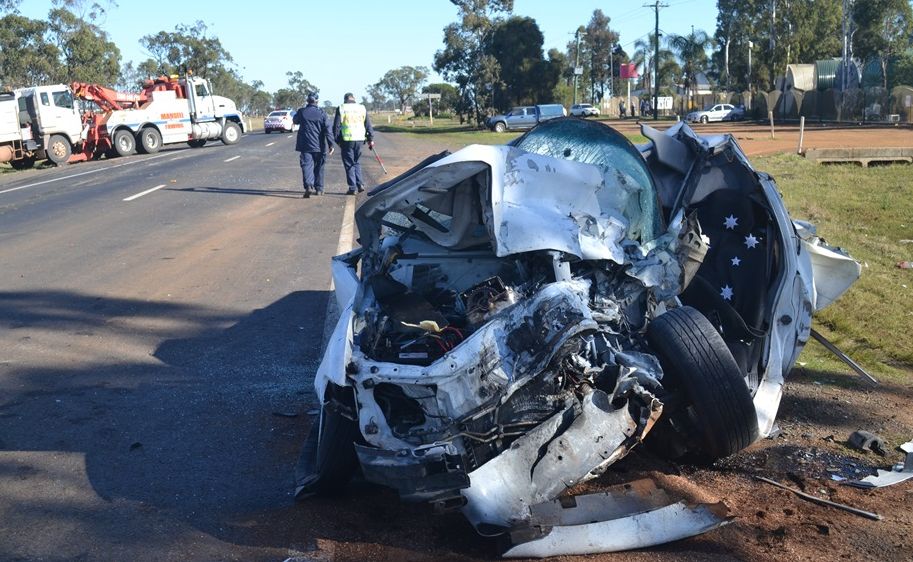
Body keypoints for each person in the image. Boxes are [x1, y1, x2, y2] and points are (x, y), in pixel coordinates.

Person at [293, 92, 334, 198]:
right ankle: (319, 189)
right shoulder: (322, 113)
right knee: (319, 167)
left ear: (307, 100)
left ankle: (308, 186)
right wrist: (331, 144)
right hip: (319, 146)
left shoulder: (302, 112)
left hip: (305, 145)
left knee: (307, 165)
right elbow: (328, 130)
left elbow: (295, 121)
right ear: (317, 101)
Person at [333, 92, 375, 195]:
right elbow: (368, 125)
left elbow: (336, 127)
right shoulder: (361, 108)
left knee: (349, 164)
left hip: (347, 140)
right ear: (354, 99)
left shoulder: (342, 108)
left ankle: (352, 187)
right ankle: (360, 184)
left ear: (345, 99)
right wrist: (370, 139)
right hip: (360, 140)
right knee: (356, 162)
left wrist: (337, 140)